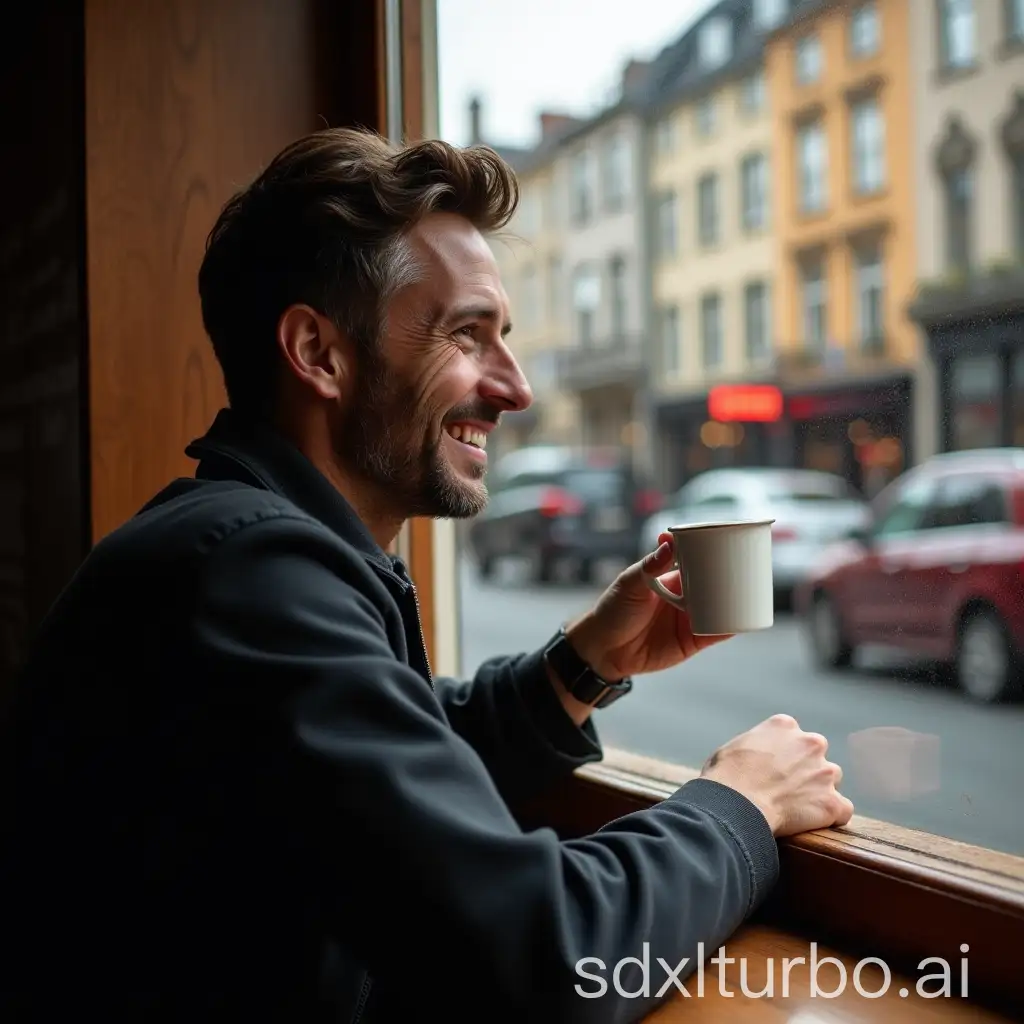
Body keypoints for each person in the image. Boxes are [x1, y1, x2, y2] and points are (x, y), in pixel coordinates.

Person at [0, 128, 853, 1023]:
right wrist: (741, 805)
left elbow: (380, 783)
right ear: (318, 353)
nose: (516, 388)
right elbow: (549, 958)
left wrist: (581, 665)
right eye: (467, 336)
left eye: (505, 337)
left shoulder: (230, 544)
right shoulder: (249, 572)